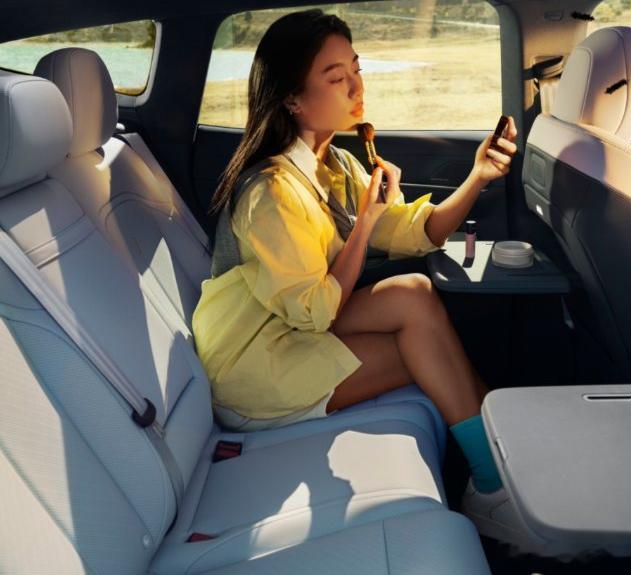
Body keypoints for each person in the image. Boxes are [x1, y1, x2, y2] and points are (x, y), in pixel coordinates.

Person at [191, 8, 527, 548]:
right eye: (335, 77)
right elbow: (316, 310)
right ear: (293, 99)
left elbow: (413, 231)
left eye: (356, 69)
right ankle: (498, 481)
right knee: (428, 356)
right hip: (253, 365)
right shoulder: (272, 193)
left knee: (413, 293)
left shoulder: (337, 167)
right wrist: (365, 222)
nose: (355, 86)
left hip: (291, 329)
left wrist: (477, 176)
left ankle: (503, 467)